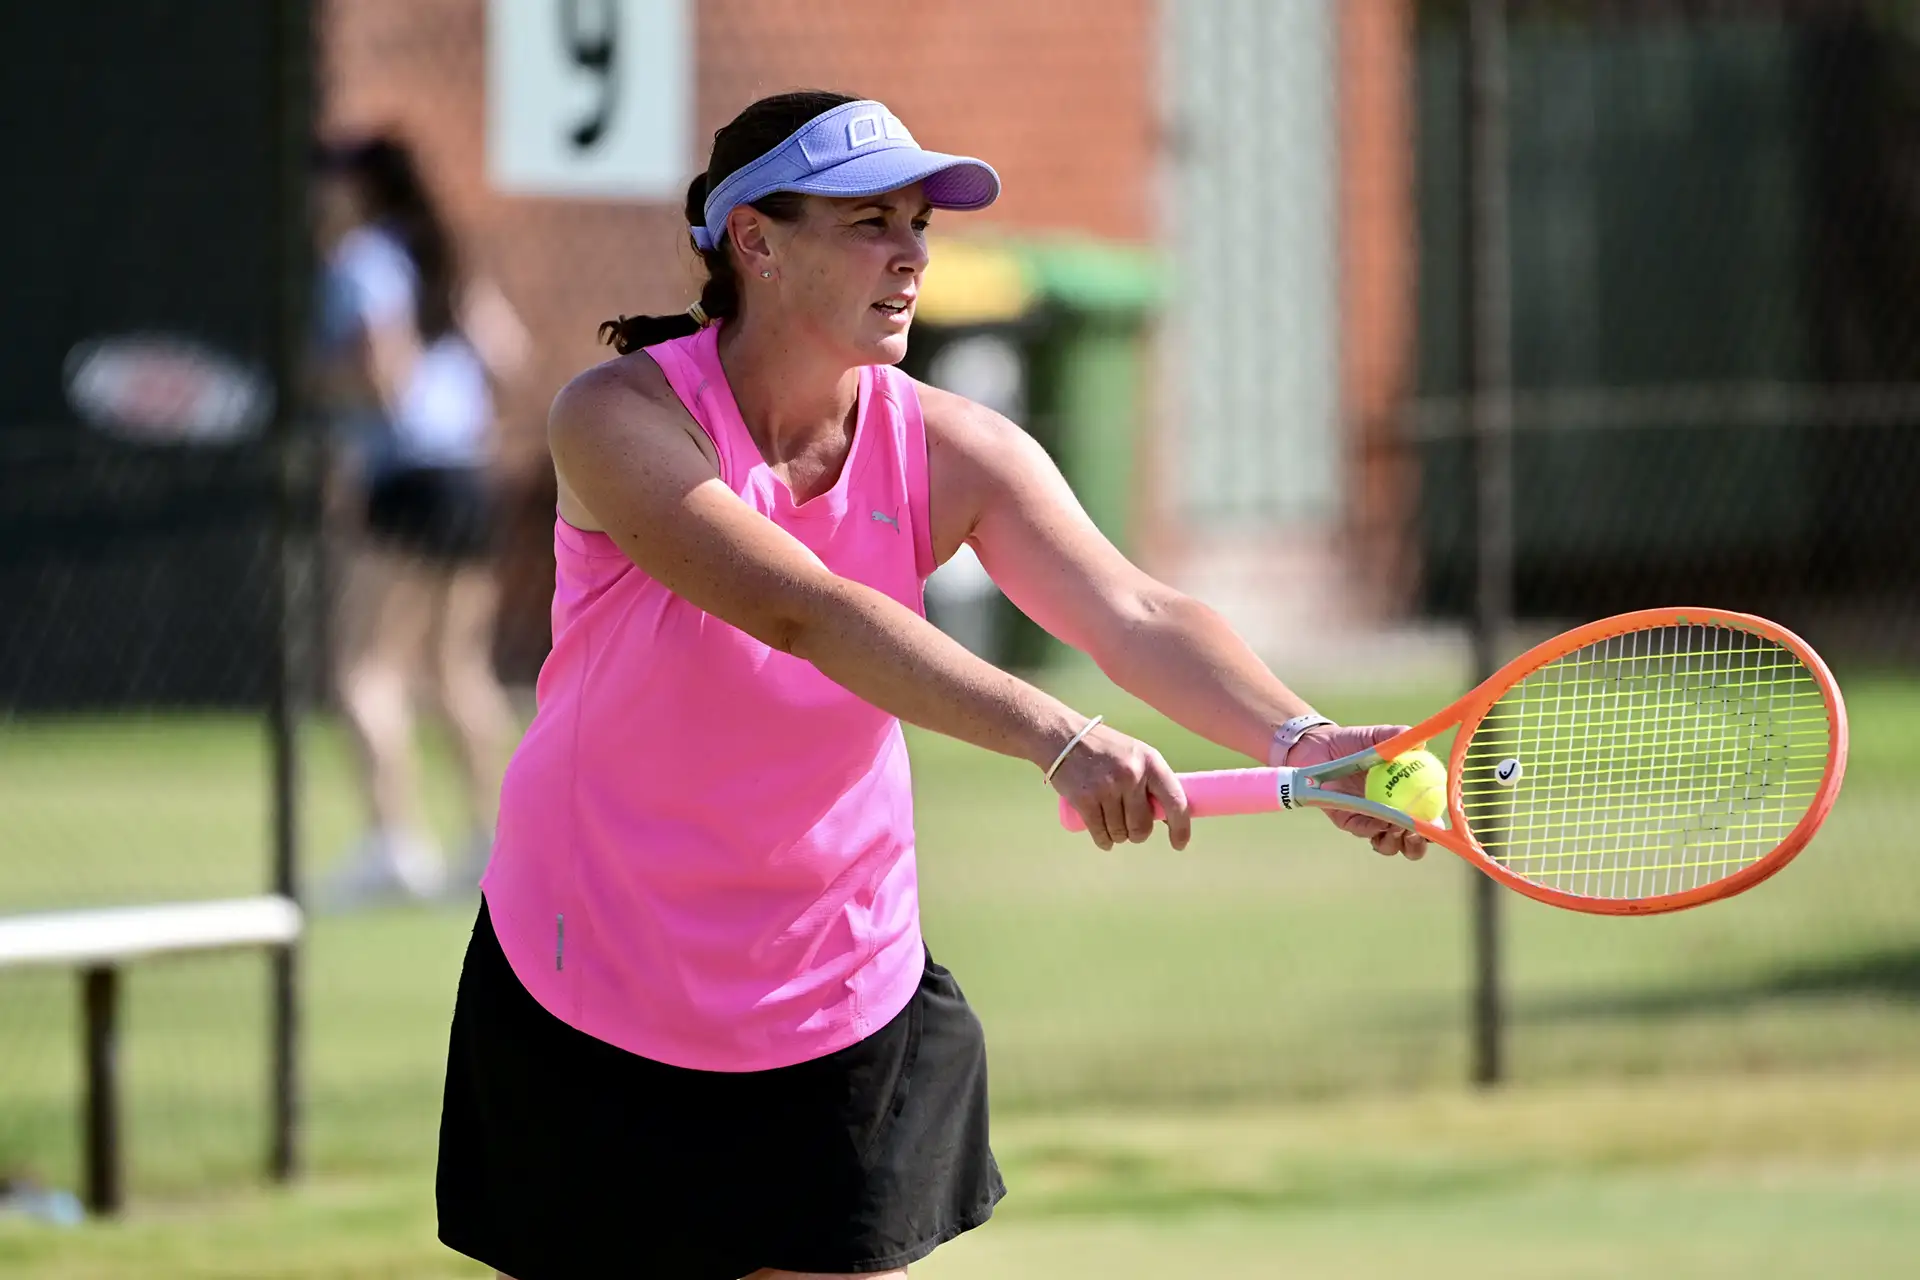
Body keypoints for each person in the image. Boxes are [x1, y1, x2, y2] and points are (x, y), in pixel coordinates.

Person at [434, 91, 1426, 1280]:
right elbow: (803, 609)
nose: (911, 254)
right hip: (589, 974)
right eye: (870, 222)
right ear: (754, 241)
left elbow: (1134, 611)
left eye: (919, 223)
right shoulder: (617, 417)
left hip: (833, 986)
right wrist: (1058, 734)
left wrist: (1302, 737)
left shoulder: (954, 447)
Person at [310, 136, 530, 906]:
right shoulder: (444, 259)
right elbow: (509, 356)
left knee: (364, 671)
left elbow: (385, 377)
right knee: (455, 669)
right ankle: (495, 842)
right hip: (466, 474)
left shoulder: (364, 259)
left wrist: (315, 379)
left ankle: (393, 845)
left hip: (407, 477)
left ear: (358, 188)